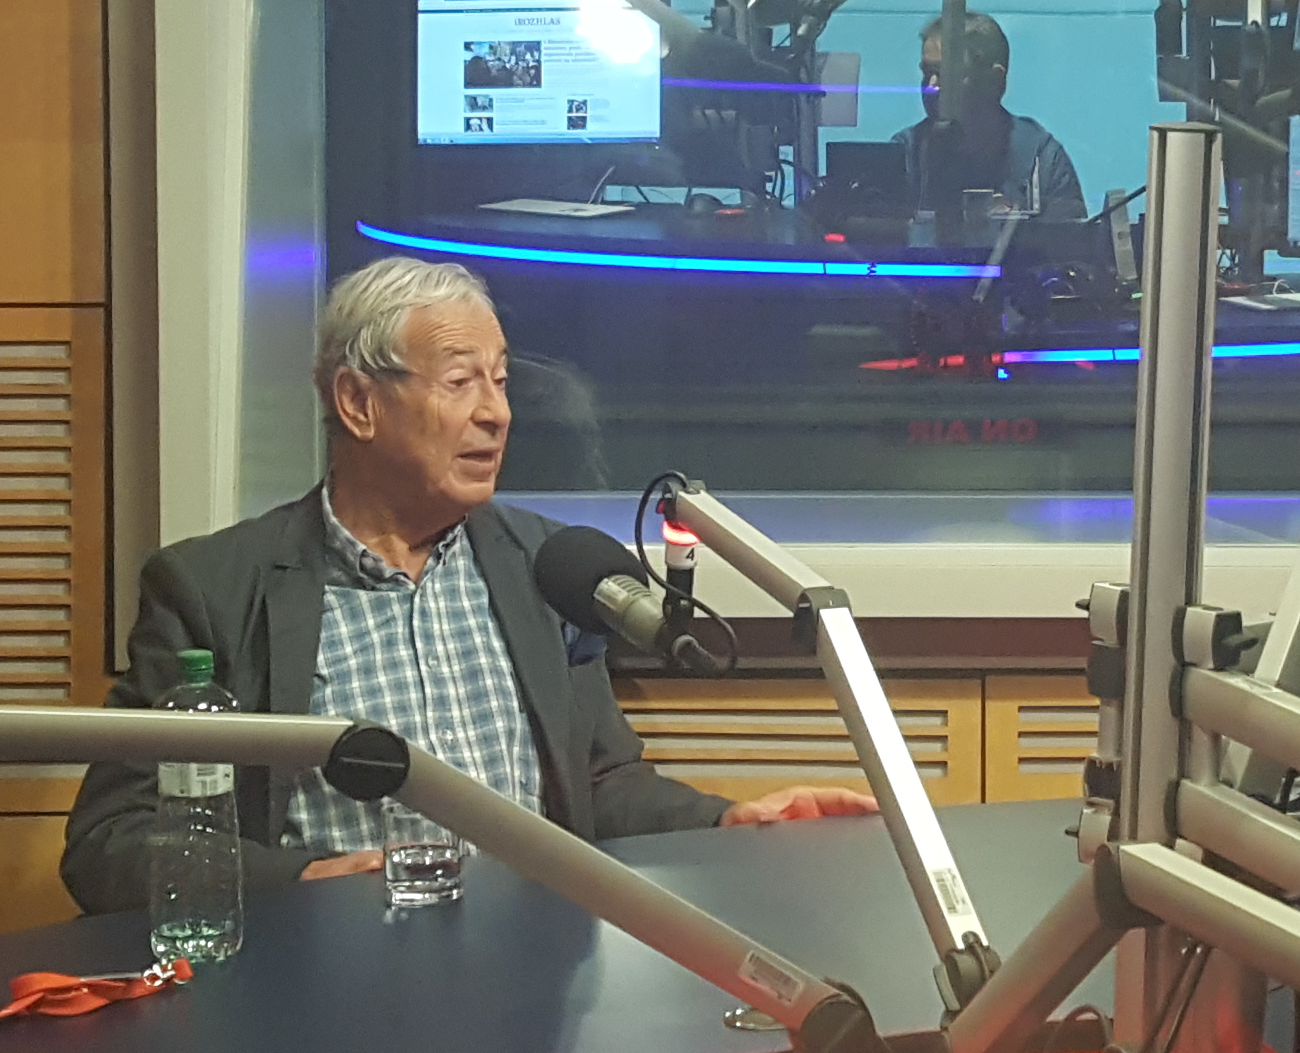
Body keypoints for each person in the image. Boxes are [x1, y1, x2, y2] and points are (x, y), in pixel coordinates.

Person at [59, 258, 872, 909]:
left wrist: (730, 822)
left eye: (502, 380)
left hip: (532, 981)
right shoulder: (212, 590)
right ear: (358, 402)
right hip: (324, 983)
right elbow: (112, 844)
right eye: (460, 383)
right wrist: (304, 881)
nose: (497, 414)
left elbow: (600, 788)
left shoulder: (544, 567)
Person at [890, 9, 1084, 230]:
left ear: (995, 80)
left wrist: (1012, 231)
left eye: (948, 74)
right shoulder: (905, 155)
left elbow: (1073, 247)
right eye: (927, 73)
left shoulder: (1042, 162)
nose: (931, 86)